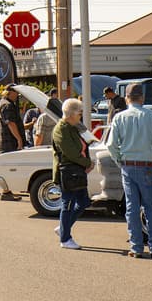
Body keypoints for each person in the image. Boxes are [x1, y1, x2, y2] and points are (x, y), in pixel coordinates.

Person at [105, 83, 152, 259]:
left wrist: (120, 161)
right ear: (142, 98)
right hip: (147, 165)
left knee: (131, 207)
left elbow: (111, 145)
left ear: (126, 98)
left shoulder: (119, 117)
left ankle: (136, 247)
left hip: (128, 165)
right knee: (150, 207)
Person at [51, 98, 93, 250]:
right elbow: (71, 153)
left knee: (83, 202)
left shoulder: (73, 127)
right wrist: (88, 163)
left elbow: (83, 147)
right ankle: (65, 238)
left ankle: (63, 227)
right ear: (71, 114)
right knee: (67, 204)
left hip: (77, 171)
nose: (81, 116)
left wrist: (86, 162)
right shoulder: (60, 129)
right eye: (79, 113)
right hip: (68, 172)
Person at [0, 84, 24, 201]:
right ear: (10, 92)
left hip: (7, 140)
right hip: (9, 141)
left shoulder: (4, 103)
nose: (17, 95)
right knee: (9, 167)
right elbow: (11, 124)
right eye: (16, 92)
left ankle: (7, 191)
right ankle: (6, 192)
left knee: (8, 166)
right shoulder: (7, 105)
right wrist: (19, 139)